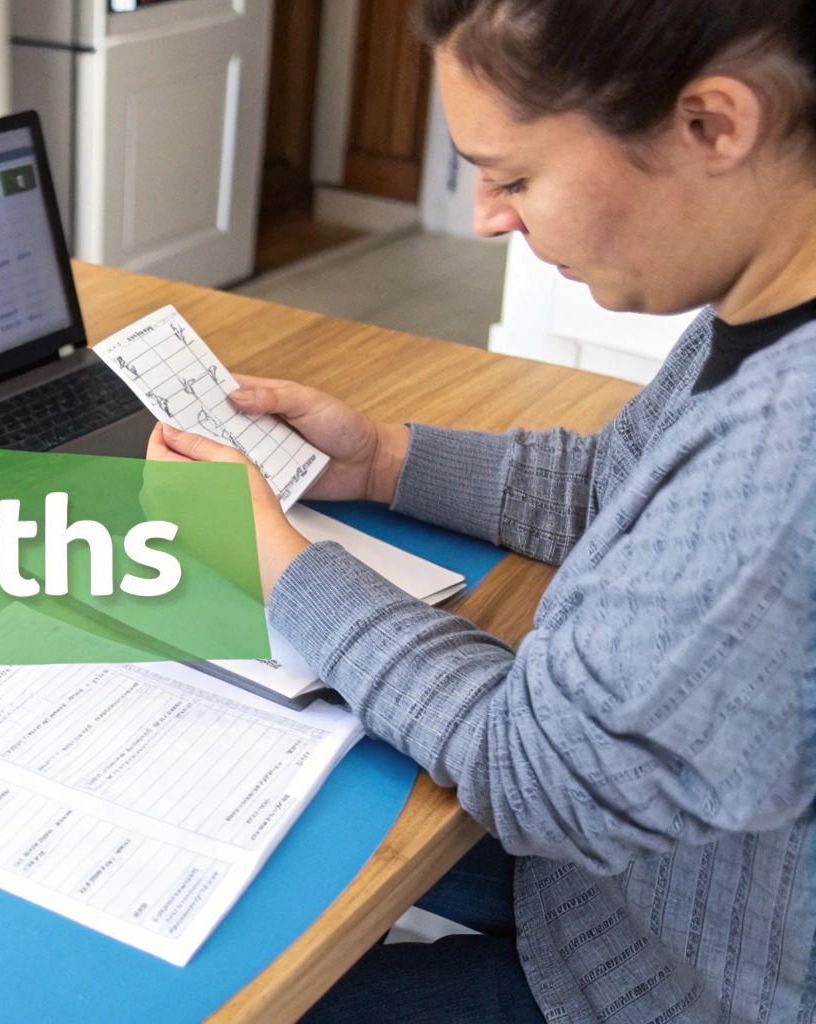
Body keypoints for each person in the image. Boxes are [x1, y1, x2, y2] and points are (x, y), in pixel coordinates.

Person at [148, 0, 816, 1020]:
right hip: (620, 886)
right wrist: (376, 459)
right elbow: (620, 485)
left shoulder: (790, 451)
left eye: (512, 175)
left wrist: (282, 564)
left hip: (662, 982)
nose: (485, 217)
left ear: (710, 124)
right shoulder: (764, 309)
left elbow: (535, 774)